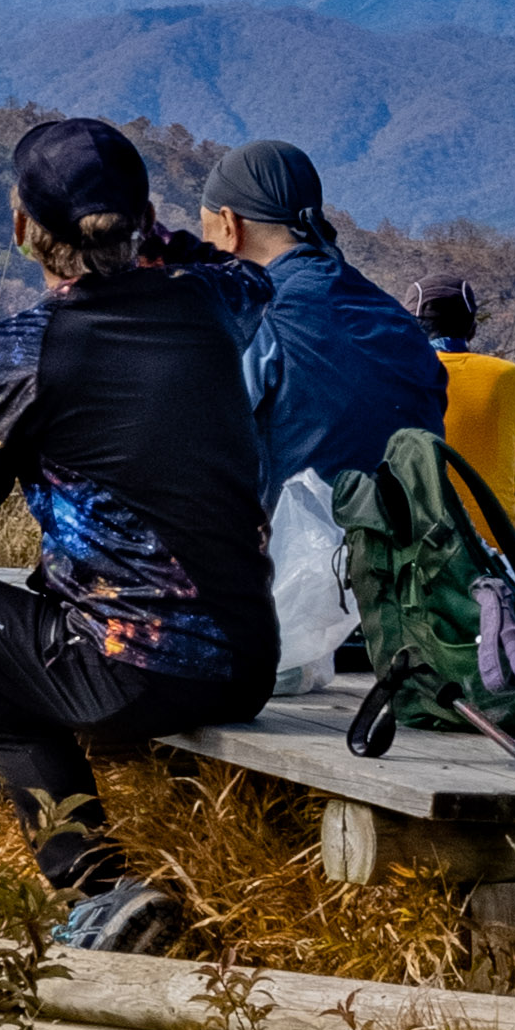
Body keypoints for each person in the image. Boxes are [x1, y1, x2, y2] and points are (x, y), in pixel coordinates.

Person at [0, 116, 275, 918]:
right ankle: (102, 897)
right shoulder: (216, 303)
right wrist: (148, 236)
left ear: (21, 228)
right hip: (245, 660)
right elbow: (242, 270)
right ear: (144, 219)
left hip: (126, 667)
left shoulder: (27, 352)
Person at [187, 135, 449, 676]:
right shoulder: (398, 321)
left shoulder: (253, 315)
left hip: (287, 620)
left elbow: (192, 458)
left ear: (230, 226)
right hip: (406, 621)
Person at [416, 274, 515, 521]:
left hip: (417, 539)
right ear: (472, 328)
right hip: (496, 539)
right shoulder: (511, 376)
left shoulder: (393, 376)